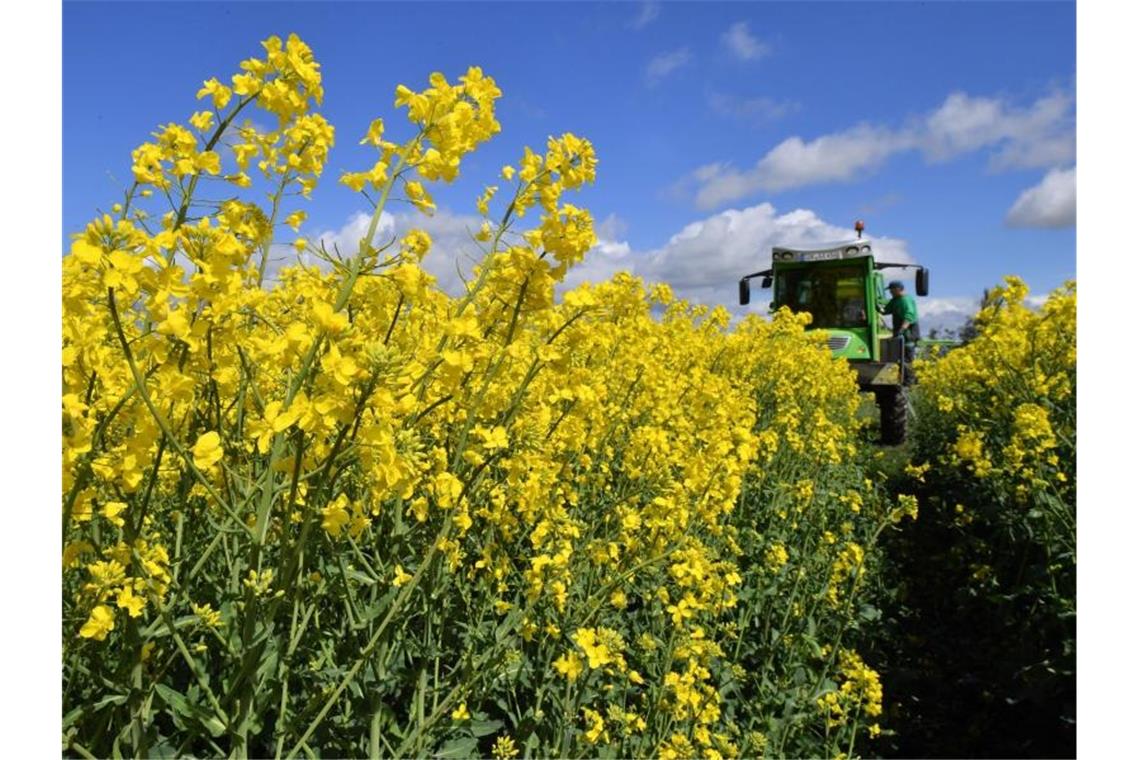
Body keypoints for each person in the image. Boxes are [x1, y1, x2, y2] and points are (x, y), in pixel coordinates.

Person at [880, 280, 920, 383]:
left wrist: (902, 329)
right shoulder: (895, 300)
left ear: (898, 289)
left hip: (908, 333)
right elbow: (885, 310)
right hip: (899, 332)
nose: (890, 293)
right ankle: (902, 380)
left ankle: (909, 383)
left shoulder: (905, 300)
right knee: (898, 359)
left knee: (907, 359)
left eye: (891, 290)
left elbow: (909, 316)